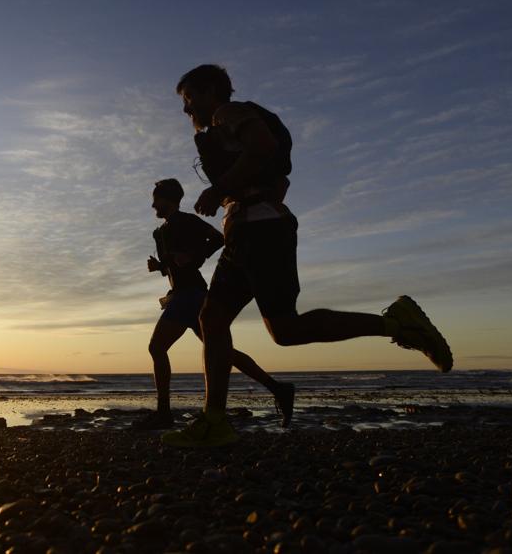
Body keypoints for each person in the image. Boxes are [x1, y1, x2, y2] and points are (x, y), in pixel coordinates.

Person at [161, 64, 453, 448]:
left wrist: (222, 190)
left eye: (189, 99)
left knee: (284, 329)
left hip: (262, 231)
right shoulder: (224, 129)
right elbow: (279, 177)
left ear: (211, 91)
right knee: (213, 319)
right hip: (248, 232)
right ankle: (215, 420)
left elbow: (263, 148)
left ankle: (398, 324)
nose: (187, 110)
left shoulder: (227, 113)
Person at [133, 178, 295, 430]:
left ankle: (164, 413)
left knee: (157, 348)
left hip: (192, 295)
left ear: (169, 199)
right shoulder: (159, 233)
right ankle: (278, 389)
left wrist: (195, 256)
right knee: (223, 353)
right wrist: (160, 266)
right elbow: (173, 265)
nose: (153, 205)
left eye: (157, 199)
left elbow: (219, 239)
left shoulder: (187, 221)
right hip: (180, 295)